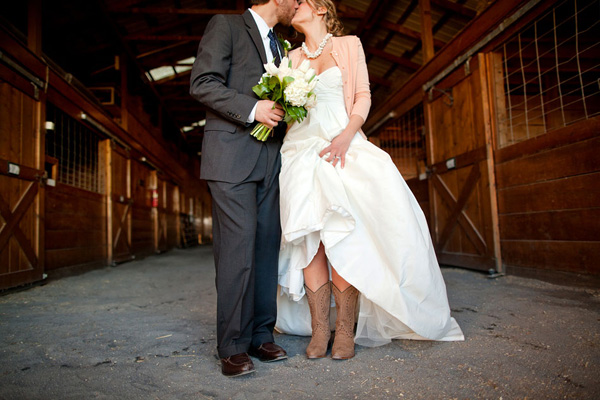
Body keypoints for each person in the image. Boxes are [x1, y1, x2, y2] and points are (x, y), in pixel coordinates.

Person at [276, 0, 464, 360]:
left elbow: (362, 95)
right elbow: (287, 111)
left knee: (340, 237)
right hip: (299, 152)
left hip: (340, 145)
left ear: (319, 9)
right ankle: (320, 331)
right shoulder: (291, 59)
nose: (294, 6)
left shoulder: (350, 45)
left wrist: (347, 135)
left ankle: (344, 331)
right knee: (309, 240)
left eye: (300, 2)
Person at [189, 0, 298, 377]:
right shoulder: (226, 25)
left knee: (267, 245)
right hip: (231, 157)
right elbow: (202, 83)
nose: (299, 3)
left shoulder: (282, 45)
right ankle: (232, 345)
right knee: (237, 247)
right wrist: (254, 109)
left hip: (271, 160)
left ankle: (260, 334)